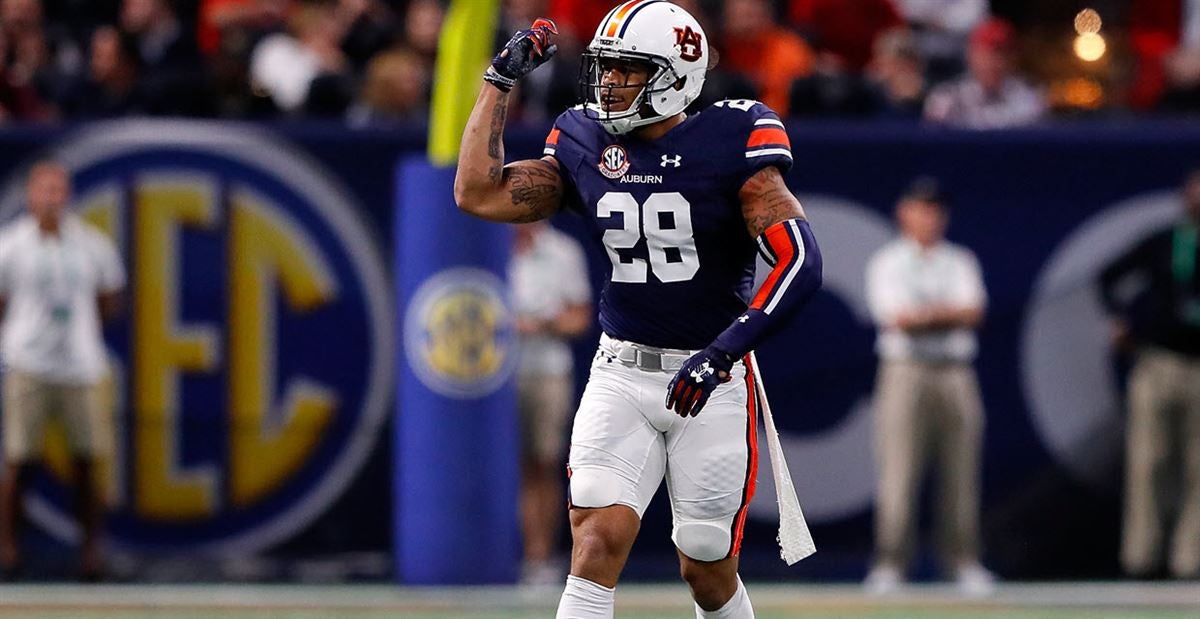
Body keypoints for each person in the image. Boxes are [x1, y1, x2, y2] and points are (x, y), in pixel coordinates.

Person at [454, 2, 823, 616]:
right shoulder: (583, 139)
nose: (609, 84)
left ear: (677, 75)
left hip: (710, 375)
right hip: (621, 368)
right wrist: (498, 82)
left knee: (706, 563)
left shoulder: (732, 139)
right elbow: (477, 193)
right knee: (595, 540)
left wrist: (720, 355)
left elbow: (799, 262)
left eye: (628, 70)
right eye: (605, 68)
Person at [863, 178, 994, 595]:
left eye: (936, 209)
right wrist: (946, 314)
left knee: (961, 471)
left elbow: (973, 312)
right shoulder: (887, 262)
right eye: (922, 207)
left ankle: (962, 561)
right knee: (899, 470)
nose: (930, 216)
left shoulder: (960, 260)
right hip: (906, 371)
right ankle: (890, 564)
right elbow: (896, 317)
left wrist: (927, 316)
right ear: (904, 212)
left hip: (955, 371)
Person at [0, 160, 125, 580]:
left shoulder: (92, 244)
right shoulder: (11, 244)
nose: (52, 199)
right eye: (44, 190)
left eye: (58, 190)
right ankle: (7, 549)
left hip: (81, 366)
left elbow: (109, 300)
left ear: (67, 195)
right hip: (28, 364)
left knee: (87, 462)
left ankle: (91, 553)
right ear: (31, 196)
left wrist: (79, 336)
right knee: (21, 460)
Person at [1099, 168, 1200, 580]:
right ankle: (1141, 558)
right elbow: (1107, 277)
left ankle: (1190, 559)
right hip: (1158, 362)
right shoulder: (1162, 242)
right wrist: (1122, 322)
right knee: (1149, 461)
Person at [509, 220, 593, 585]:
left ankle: (539, 558)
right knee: (501, 467)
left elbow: (580, 317)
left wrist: (540, 325)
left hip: (546, 371)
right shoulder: (481, 246)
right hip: (487, 378)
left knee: (542, 462)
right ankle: (491, 553)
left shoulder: (563, 252)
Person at [923, 17, 1045, 129]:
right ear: (971, 55)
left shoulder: (1028, 98)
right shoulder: (946, 98)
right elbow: (932, 144)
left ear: (1012, 58)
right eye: (986, 54)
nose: (993, 61)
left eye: (1002, 54)